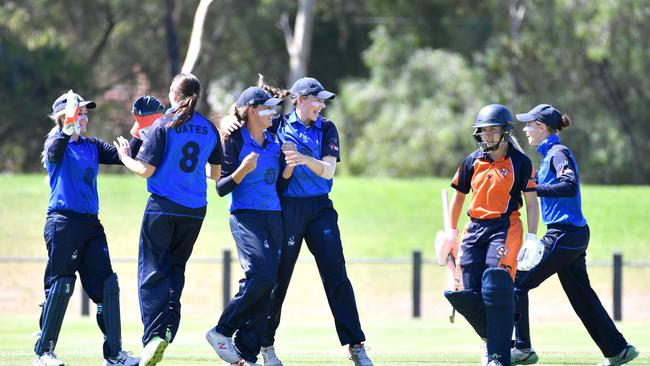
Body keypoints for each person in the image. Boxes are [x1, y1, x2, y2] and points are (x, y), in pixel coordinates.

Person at [221, 76, 373, 366]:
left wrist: (303, 159)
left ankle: (356, 345)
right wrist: (225, 121)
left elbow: (328, 171)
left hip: (320, 209)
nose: (321, 105)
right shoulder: (277, 125)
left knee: (336, 275)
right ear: (300, 100)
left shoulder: (327, 128)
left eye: (322, 100)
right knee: (277, 280)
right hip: (286, 208)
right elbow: (246, 118)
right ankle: (264, 346)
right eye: (317, 100)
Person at [511, 104, 639, 366]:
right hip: (571, 235)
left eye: (529, 124)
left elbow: (568, 185)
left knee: (516, 283)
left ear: (542, 127)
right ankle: (619, 350)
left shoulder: (558, 152)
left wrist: (534, 187)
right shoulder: (549, 155)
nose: (525, 129)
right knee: (582, 298)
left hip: (565, 234)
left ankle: (522, 349)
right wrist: (533, 184)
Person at [113, 72, 223, 366]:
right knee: (175, 270)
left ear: (173, 95)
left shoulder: (165, 124)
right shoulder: (209, 128)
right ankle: (169, 328)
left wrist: (125, 156)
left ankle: (152, 338)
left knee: (151, 272)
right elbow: (215, 174)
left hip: (163, 207)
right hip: (195, 210)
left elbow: (146, 170)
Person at [35, 90, 140, 366]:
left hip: (91, 224)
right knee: (61, 286)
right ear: (63, 115)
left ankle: (115, 354)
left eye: (84, 113)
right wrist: (65, 128)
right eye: (79, 112)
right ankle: (44, 353)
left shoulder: (91, 145)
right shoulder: (54, 142)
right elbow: (55, 152)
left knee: (107, 285)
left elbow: (124, 156)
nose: (84, 117)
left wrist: (141, 129)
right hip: (63, 222)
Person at [439, 104, 539, 366]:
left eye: (493, 131)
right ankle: (495, 341)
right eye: (483, 132)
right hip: (474, 229)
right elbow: (459, 198)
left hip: (504, 227)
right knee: (469, 295)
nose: (488, 137)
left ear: (505, 133)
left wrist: (532, 236)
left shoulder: (521, 163)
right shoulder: (471, 161)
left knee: (496, 284)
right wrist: (451, 232)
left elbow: (531, 203)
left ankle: (498, 354)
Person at [205, 86, 287, 366]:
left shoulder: (274, 138)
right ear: (252, 110)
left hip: (274, 216)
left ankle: (247, 353)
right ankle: (222, 331)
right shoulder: (234, 141)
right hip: (246, 216)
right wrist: (242, 170)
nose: (272, 113)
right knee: (261, 276)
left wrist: (289, 169)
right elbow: (220, 187)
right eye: (267, 108)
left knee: (268, 283)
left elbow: (280, 182)